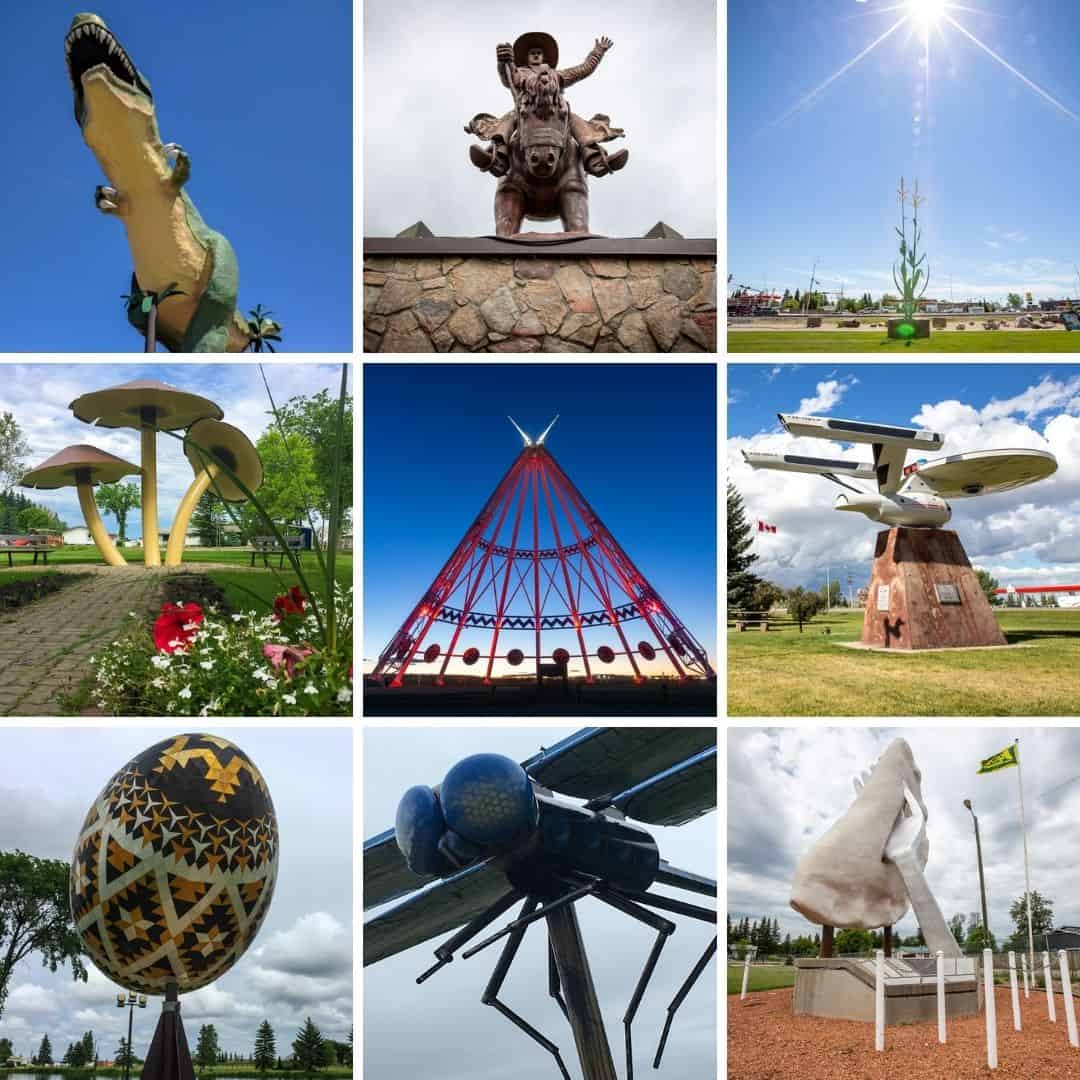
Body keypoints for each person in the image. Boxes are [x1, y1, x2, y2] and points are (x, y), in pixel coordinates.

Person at [468, 31, 628, 178]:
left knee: (573, 119)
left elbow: (583, 70)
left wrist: (598, 52)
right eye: (533, 53)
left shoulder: (557, 76)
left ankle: (593, 156)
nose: (536, 56)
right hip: (527, 110)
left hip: (555, 111)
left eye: (539, 53)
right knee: (510, 119)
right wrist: (504, 62)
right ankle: (499, 155)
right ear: (527, 57)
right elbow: (507, 78)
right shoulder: (520, 73)